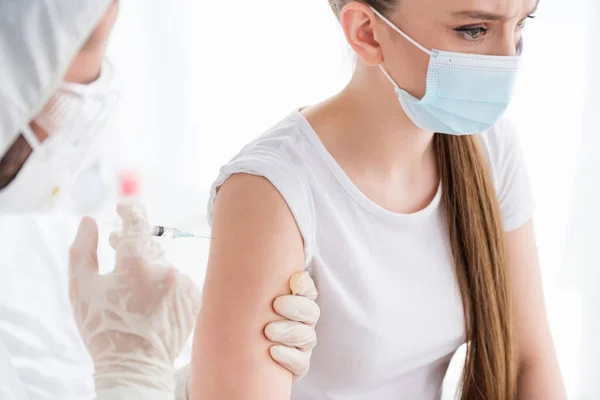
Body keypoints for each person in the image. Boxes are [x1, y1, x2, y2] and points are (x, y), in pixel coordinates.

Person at [190, 0, 568, 399]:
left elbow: (529, 358)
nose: (508, 58)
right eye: (474, 30)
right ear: (367, 32)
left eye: (521, 24)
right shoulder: (272, 192)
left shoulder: (491, 148)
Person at [0, 1, 320, 399]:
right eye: (86, 46)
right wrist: (133, 376)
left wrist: (182, 387)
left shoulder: (38, 243)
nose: (96, 87)